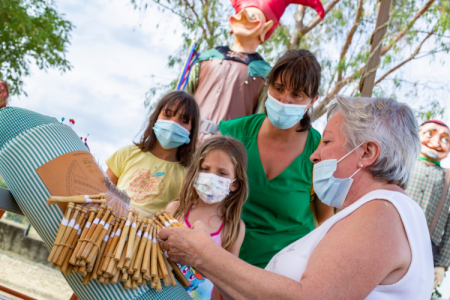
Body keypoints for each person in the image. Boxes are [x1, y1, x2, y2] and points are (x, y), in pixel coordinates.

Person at [160, 96, 434, 299]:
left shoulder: (381, 215)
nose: (315, 155)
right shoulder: (374, 213)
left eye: (326, 142)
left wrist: (206, 257)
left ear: (366, 153)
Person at [219, 49, 333, 269]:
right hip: (225, 263)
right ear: (268, 86)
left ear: (312, 101)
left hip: (286, 271)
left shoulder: (319, 151)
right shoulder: (233, 135)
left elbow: (324, 218)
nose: (284, 100)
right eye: (278, 88)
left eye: (297, 94)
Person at [186, 0, 323, 143]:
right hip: (186, 145)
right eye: (241, 14)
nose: (244, 17)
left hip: (226, 150)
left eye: (252, 15)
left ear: (266, 27)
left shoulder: (266, 75)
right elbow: (184, 97)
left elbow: (258, 122)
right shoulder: (206, 58)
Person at [166, 135, 248, 300]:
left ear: (234, 184)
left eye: (222, 172)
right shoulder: (176, 209)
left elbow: (229, 278)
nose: (211, 177)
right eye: (205, 168)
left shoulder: (235, 228)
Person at [106, 91, 200, 213]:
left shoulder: (189, 175)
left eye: (183, 120)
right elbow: (101, 190)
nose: (173, 123)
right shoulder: (127, 153)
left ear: (192, 130)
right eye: (167, 115)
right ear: (156, 117)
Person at [405, 119, 450, 289]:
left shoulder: (447, 178)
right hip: (389, 236)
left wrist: (441, 264)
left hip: (426, 250)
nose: (436, 142)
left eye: (445, 139)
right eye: (429, 134)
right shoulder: (403, 164)